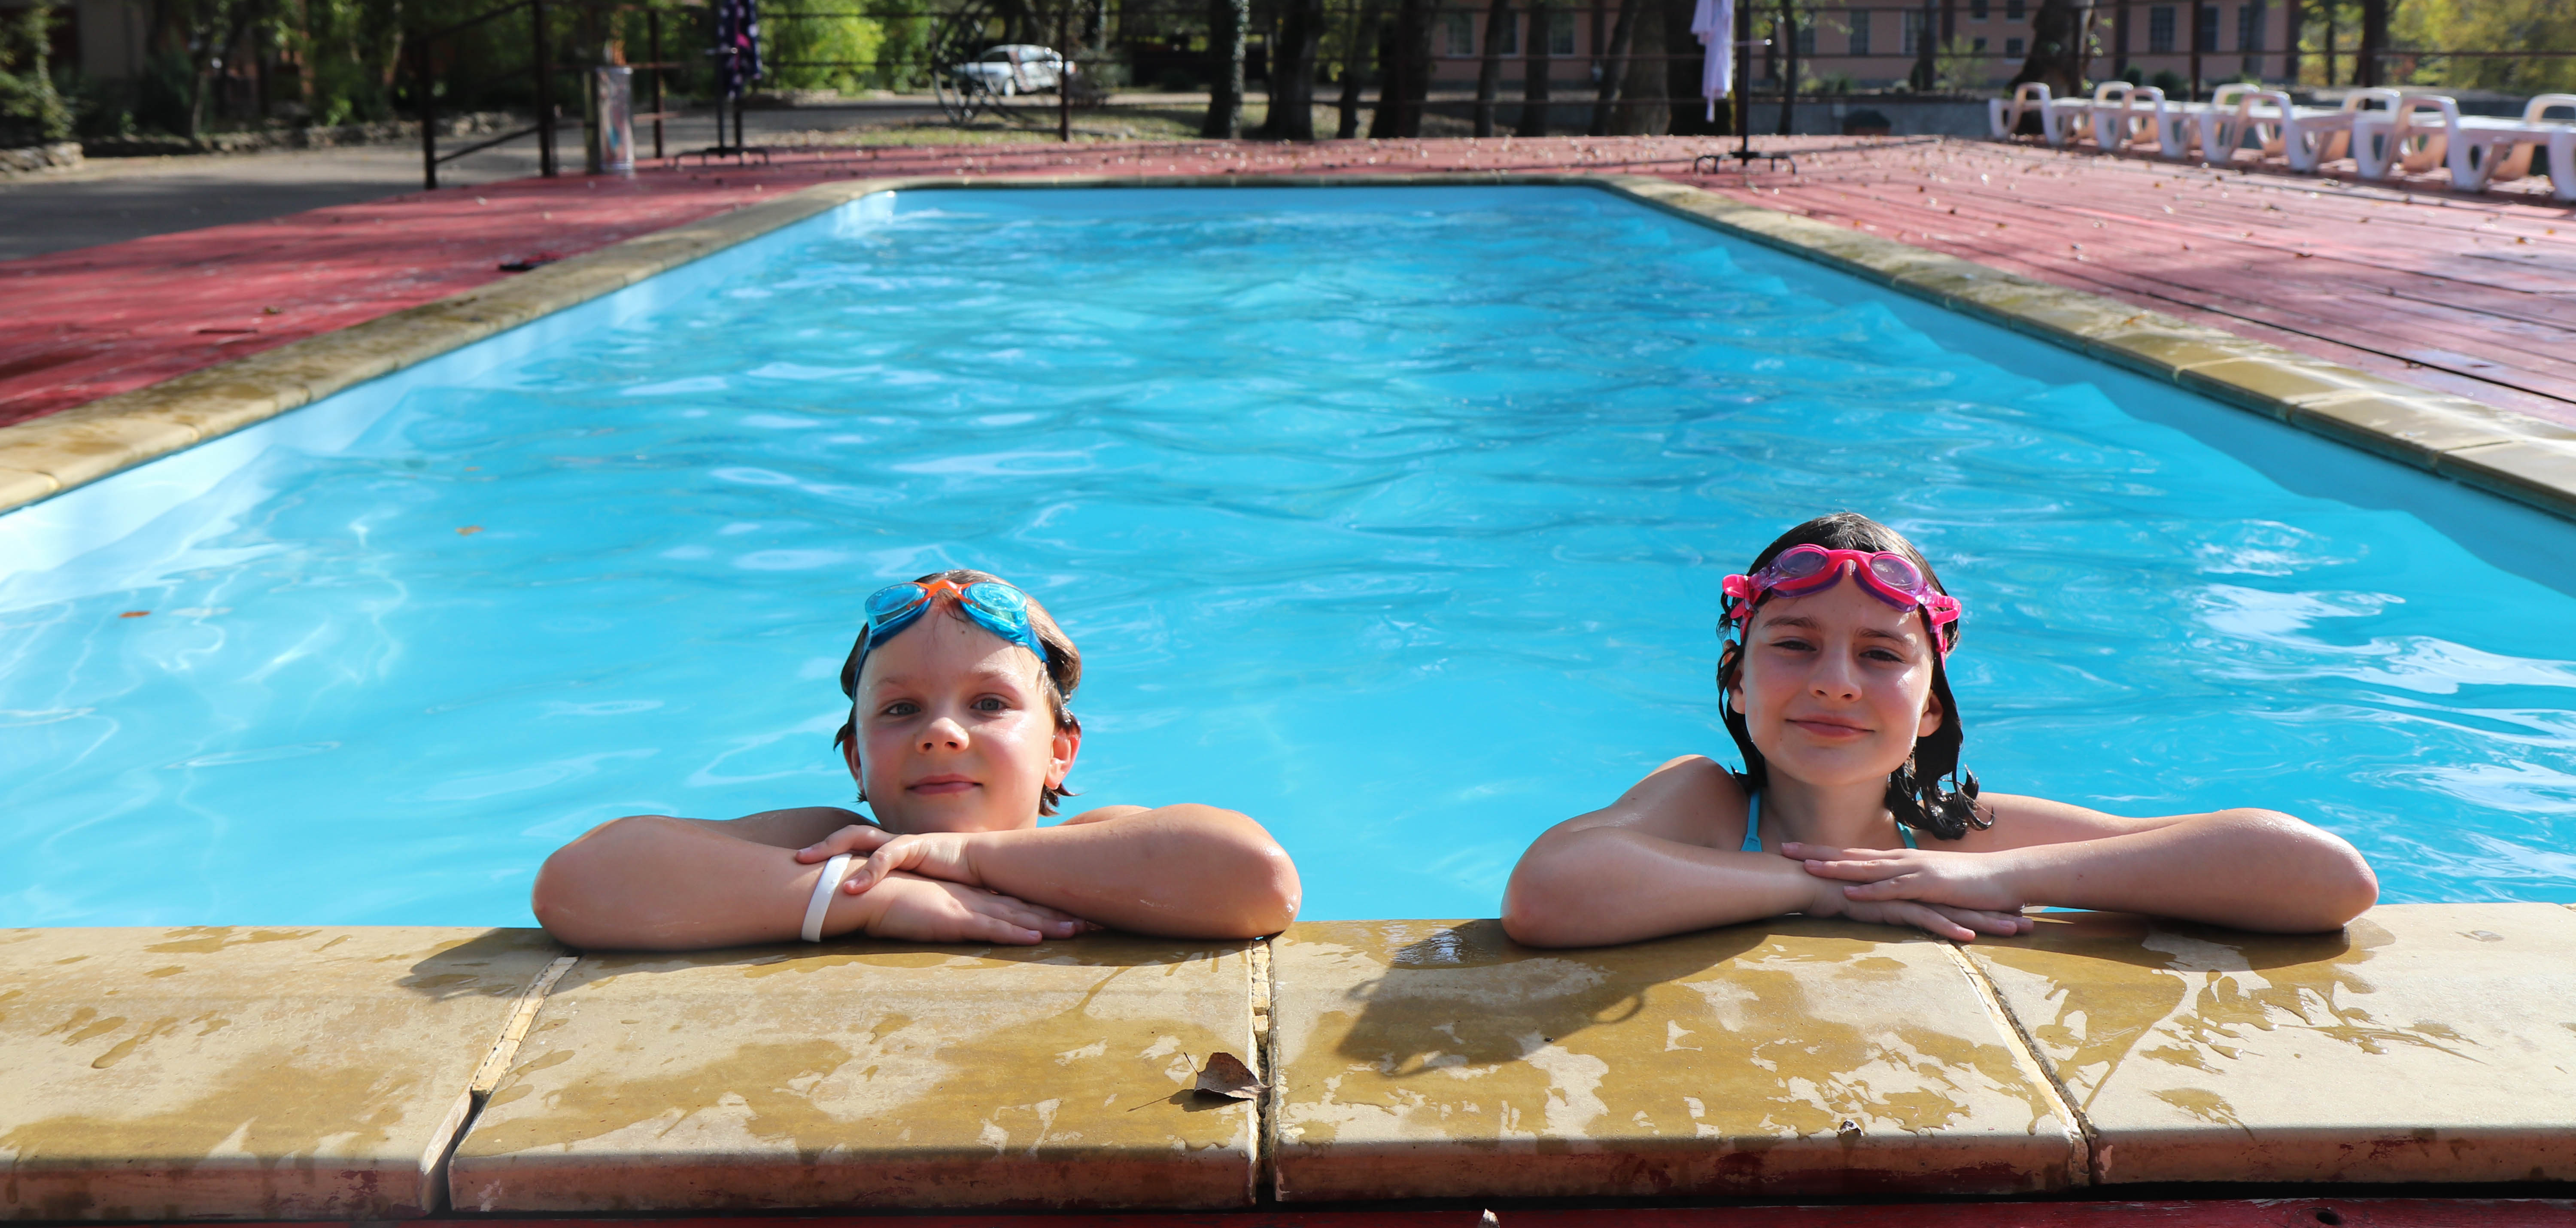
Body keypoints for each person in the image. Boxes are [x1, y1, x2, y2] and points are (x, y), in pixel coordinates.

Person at [1501, 513, 2378, 947]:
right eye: (1795, 644)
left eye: (1881, 654)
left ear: (1930, 708)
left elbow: (2329, 877)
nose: (1835, 681)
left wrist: (2003, 875)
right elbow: (1546, 892)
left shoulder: (1963, 837)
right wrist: (1823, 890)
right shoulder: (1709, 807)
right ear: (1737, 680)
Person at [534, 568, 1300, 950]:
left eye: (988, 704)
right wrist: (868, 900)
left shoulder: (1100, 847)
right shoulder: (829, 849)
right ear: (856, 763)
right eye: (901, 711)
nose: (941, 734)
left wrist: (969, 858)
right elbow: (579, 881)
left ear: (1060, 753)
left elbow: (1256, 881)